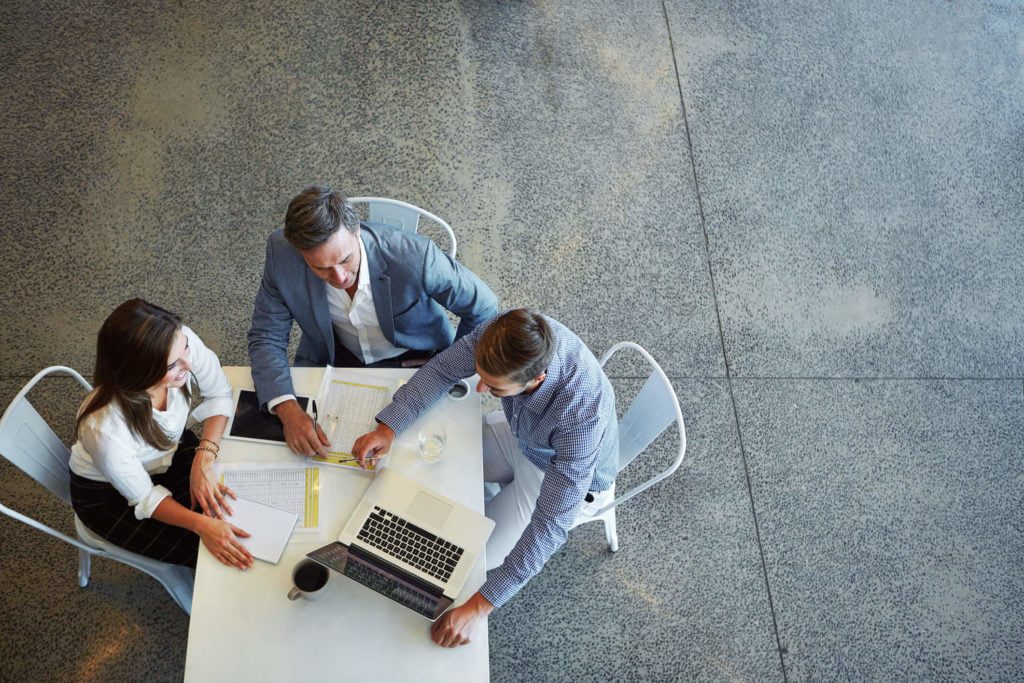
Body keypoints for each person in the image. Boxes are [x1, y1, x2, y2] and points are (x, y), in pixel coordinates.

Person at [353, 309, 618, 647]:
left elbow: (550, 526)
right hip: (524, 436)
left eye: (493, 387)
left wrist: (479, 606)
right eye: (481, 376)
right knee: (435, 467)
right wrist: (388, 427)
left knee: (470, 559)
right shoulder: (504, 333)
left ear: (535, 379)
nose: (479, 387)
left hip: (558, 475)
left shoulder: (581, 415)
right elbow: (442, 370)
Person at [248, 186, 499, 459]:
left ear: (357, 233)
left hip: (418, 359)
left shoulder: (416, 256)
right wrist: (287, 408)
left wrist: (449, 363)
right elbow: (266, 335)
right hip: (334, 356)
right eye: (321, 268)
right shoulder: (280, 254)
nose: (341, 277)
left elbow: (484, 307)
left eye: (346, 259)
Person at [69, 299, 253, 570]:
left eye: (186, 350)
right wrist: (201, 525)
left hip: (167, 449)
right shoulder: (103, 429)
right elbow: (145, 498)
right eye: (172, 367)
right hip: (107, 495)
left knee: (239, 507)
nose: (188, 365)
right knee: (208, 552)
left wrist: (203, 461)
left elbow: (219, 393)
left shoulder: (178, 341)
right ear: (138, 372)